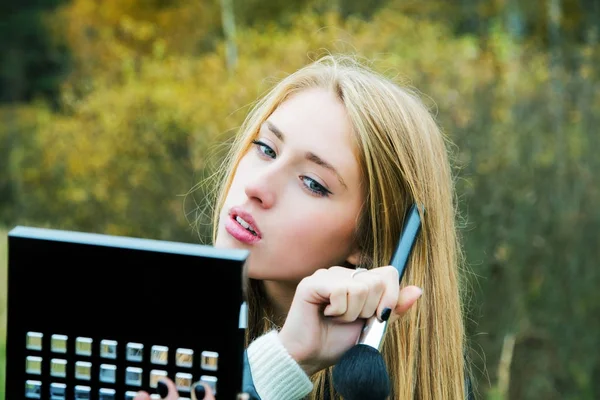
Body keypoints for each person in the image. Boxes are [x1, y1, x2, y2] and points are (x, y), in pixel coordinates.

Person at [134, 54, 472, 400]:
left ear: (368, 241)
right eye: (265, 149)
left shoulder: (413, 388)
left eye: (312, 183)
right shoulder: (140, 337)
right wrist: (284, 357)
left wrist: (283, 364)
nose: (257, 187)